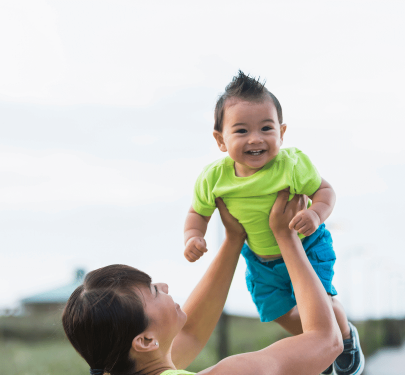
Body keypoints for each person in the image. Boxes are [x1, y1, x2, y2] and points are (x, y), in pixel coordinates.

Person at [183, 71, 364, 375]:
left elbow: (325, 191)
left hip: (307, 247)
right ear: (220, 140)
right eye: (241, 131)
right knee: (277, 312)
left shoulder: (291, 165)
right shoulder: (214, 178)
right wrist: (193, 237)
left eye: (266, 128)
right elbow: (197, 213)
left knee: (322, 306)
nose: (256, 139)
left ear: (281, 132)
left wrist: (315, 214)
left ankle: (344, 338)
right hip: (260, 260)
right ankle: (317, 347)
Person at [63, 191, 343, 375]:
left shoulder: (124, 362)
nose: (164, 286)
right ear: (145, 340)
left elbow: (191, 335)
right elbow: (326, 341)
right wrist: (286, 237)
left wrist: (234, 240)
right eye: (153, 290)